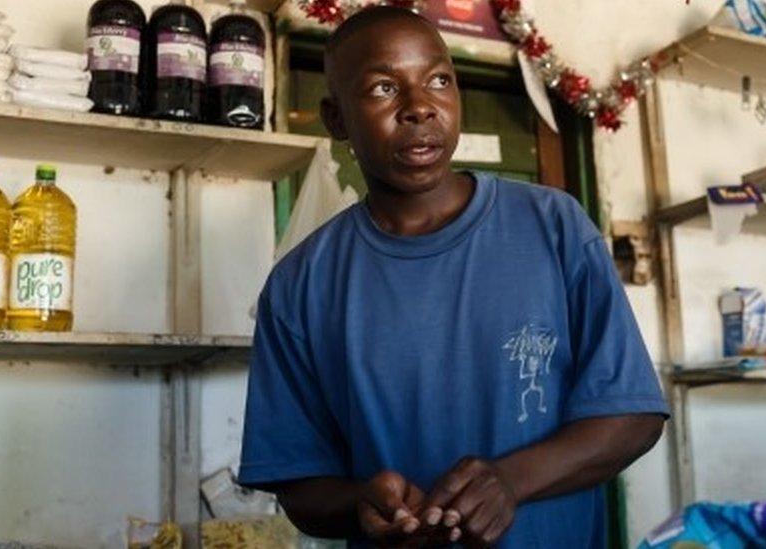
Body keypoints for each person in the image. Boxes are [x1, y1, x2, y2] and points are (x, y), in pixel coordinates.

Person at [238, 6, 669, 548]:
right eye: (381, 89)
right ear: (337, 120)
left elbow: (634, 414)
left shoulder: (554, 226)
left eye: (439, 80)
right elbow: (299, 485)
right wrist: (361, 505)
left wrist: (512, 480)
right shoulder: (299, 285)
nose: (420, 107)